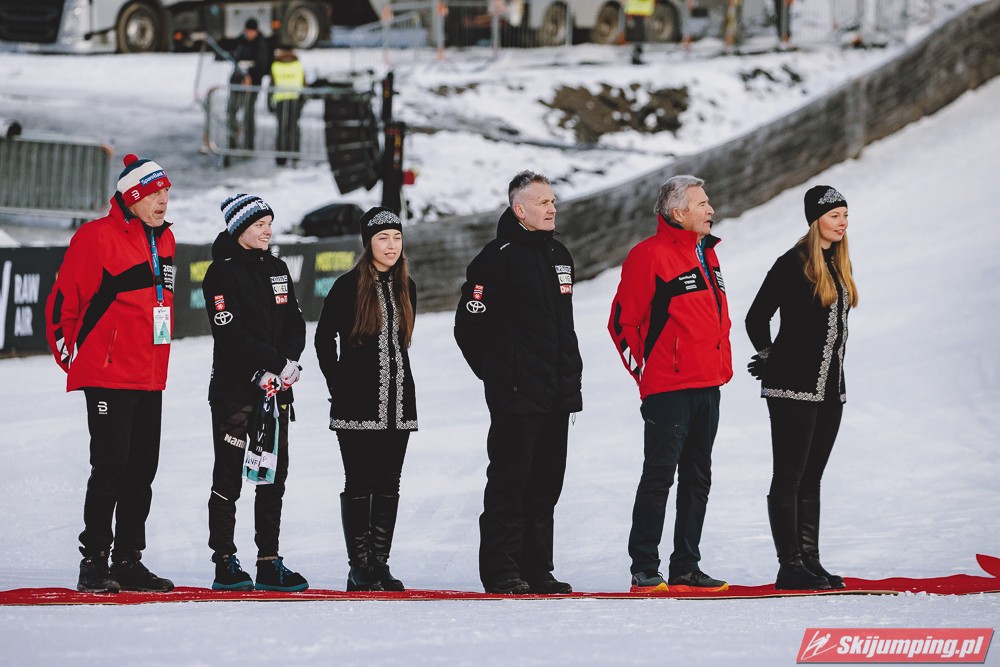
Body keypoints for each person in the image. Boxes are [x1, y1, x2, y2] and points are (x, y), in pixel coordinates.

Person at [44, 153, 177, 594]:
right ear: (132, 196)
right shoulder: (95, 237)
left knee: (142, 471)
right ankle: (94, 561)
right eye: (154, 193)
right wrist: (75, 359)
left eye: (166, 192)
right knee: (110, 468)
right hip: (107, 376)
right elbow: (62, 303)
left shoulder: (166, 240)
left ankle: (128, 560)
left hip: (149, 376)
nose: (163, 200)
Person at [455, 171, 583, 595]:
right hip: (516, 395)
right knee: (511, 484)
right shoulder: (496, 258)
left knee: (546, 486)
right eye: (543, 202)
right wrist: (500, 376)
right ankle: (502, 570)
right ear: (519, 209)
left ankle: (537, 568)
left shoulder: (560, 254)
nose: (552, 208)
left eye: (553, 201)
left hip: (557, 393)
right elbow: (468, 327)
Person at [608, 174, 732, 592]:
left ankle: (686, 566)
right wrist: (645, 373)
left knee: (698, 479)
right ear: (678, 213)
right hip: (669, 389)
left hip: (708, 384)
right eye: (702, 204)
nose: (710, 209)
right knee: (659, 477)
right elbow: (621, 322)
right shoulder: (648, 255)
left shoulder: (707, 254)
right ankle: (644, 565)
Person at [745, 185, 857, 590]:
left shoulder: (838, 262)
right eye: (834, 215)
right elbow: (756, 317)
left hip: (830, 387)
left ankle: (811, 561)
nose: (842, 223)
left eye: (845, 215)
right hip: (792, 387)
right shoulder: (792, 263)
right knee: (790, 476)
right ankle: (789, 565)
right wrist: (769, 356)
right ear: (815, 220)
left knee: (813, 477)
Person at [201, 193, 308, 592]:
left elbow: (295, 321)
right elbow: (230, 333)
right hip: (235, 392)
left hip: (276, 391)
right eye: (260, 225)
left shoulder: (277, 267)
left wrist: (288, 363)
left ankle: (269, 561)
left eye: (269, 224)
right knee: (229, 476)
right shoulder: (220, 273)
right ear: (239, 229)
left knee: (273, 477)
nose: (267, 231)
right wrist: (272, 363)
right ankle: (224, 561)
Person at [315, 207, 418, 593]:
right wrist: (339, 384)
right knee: (359, 480)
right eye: (382, 238)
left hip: (399, 401)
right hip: (356, 403)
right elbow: (323, 339)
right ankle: (359, 566)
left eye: (397, 237)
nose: (391, 245)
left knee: (389, 481)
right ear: (367, 243)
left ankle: (380, 563)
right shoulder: (347, 286)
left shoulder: (407, 286)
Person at [226, 18, 271, 153]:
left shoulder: (261, 44)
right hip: (237, 83)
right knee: (231, 110)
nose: (249, 34)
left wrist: (249, 74)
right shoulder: (241, 41)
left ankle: (248, 145)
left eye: (251, 31)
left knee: (248, 114)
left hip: (252, 85)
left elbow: (262, 65)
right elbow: (236, 59)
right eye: (247, 31)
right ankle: (233, 140)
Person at [269, 46, 306, 167]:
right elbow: (304, 83)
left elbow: (272, 84)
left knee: (282, 128)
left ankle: (281, 157)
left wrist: (269, 102)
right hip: (295, 100)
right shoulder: (297, 65)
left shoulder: (275, 65)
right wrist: (303, 100)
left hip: (281, 100)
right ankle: (295, 155)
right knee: (294, 128)